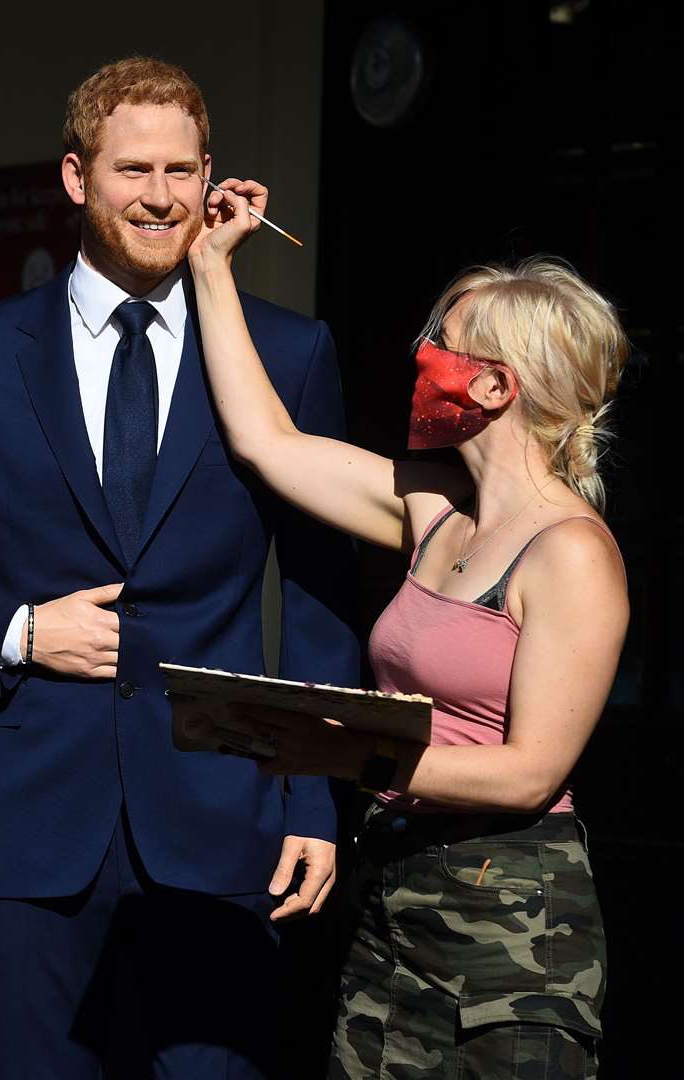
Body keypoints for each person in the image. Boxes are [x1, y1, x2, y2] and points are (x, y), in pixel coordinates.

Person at [0, 57, 359, 1078]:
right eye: (133, 170)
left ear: (212, 180)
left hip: (224, 819)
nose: (160, 196)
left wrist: (315, 803)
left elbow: (325, 599)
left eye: (183, 171)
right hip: (29, 827)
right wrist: (19, 633)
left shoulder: (289, 355)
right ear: (76, 179)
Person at [187, 180, 626, 1076]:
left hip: (512, 926)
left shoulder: (571, 552)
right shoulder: (435, 509)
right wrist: (208, 262)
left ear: (495, 385)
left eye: (441, 344)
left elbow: (531, 771)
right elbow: (266, 442)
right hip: (396, 891)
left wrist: (341, 753)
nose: (417, 355)